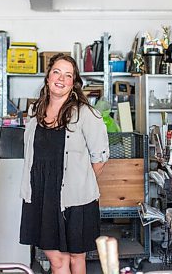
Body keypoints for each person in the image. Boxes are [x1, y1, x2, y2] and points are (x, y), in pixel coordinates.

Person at [20, 53, 110, 274]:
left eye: (68, 75)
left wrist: (80, 182)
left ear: (73, 83)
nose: (61, 78)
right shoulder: (35, 113)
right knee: (57, 259)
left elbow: (100, 156)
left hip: (76, 197)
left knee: (76, 258)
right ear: (48, 77)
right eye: (56, 72)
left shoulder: (87, 114)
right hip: (41, 195)